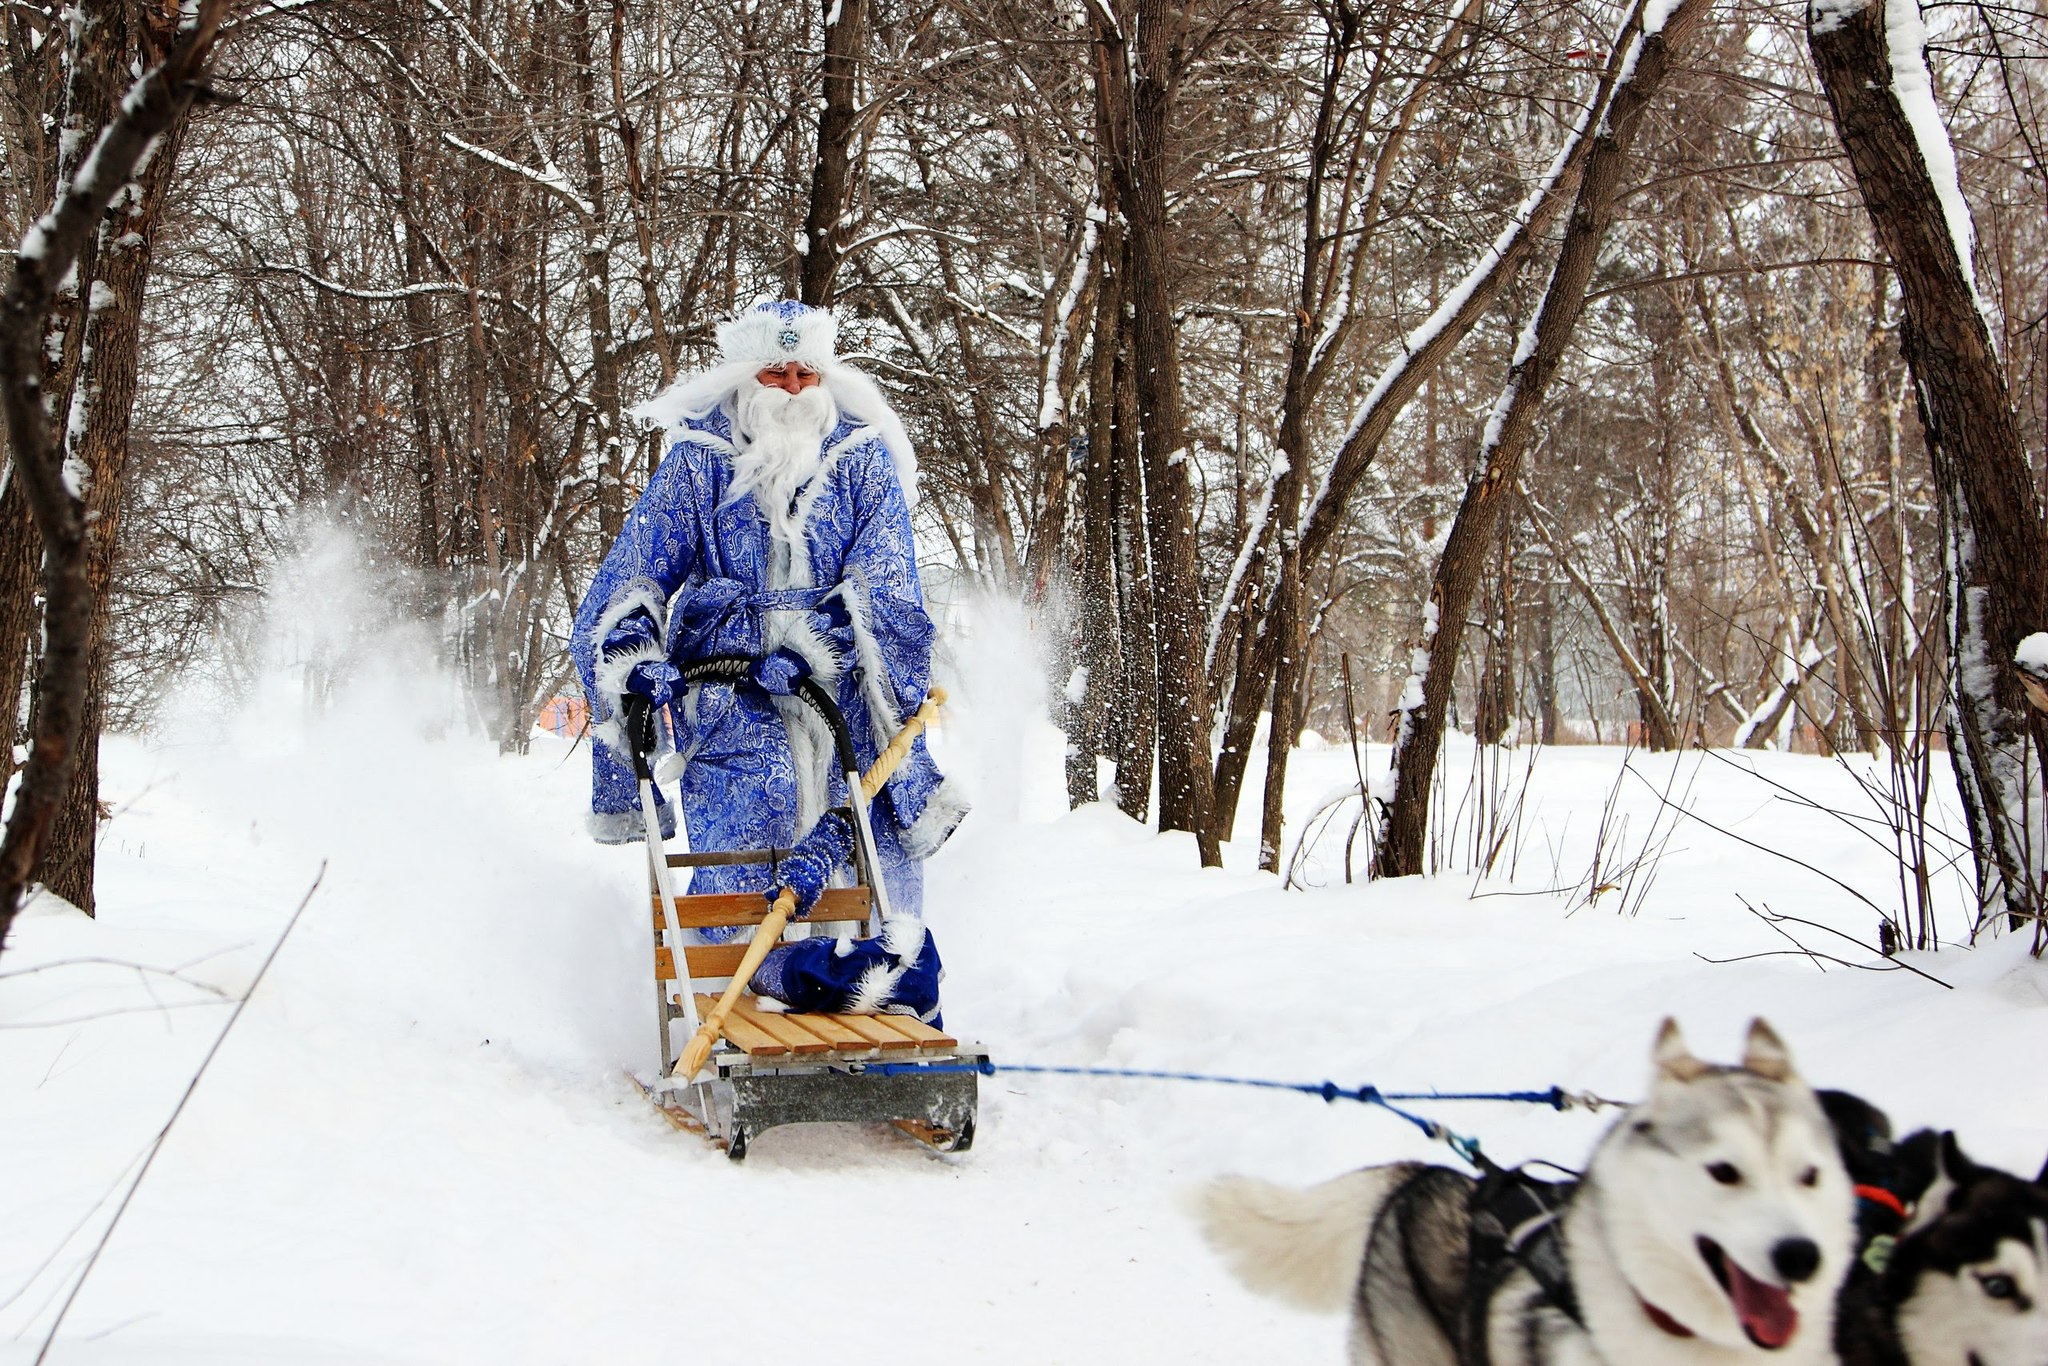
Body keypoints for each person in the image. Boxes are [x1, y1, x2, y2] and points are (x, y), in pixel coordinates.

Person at [570, 299, 966, 1018]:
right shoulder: (696, 461)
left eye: (803, 371)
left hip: (843, 694)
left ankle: (881, 995)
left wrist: (819, 647)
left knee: (862, 829)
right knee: (754, 813)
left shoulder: (863, 458)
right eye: (775, 372)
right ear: (745, 376)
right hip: (731, 691)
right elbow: (632, 576)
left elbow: (890, 586)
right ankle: (745, 989)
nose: (790, 386)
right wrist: (638, 659)